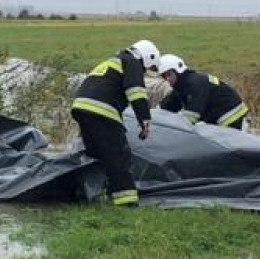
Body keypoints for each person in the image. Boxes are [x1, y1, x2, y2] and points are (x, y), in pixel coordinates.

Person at [71, 38, 159, 207]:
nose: (146, 71)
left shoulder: (114, 60)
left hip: (81, 108)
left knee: (96, 154)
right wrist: (145, 119)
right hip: (102, 111)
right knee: (118, 156)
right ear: (147, 57)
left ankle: (90, 194)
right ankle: (126, 202)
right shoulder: (132, 62)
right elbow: (136, 92)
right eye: (148, 67)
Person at [157, 54, 250, 130]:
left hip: (230, 114)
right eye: (164, 77)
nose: (167, 79)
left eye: (169, 75)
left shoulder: (195, 84)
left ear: (178, 71)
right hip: (217, 117)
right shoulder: (180, 87)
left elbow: (191, 116)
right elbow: (168, 106)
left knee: (224, 145)